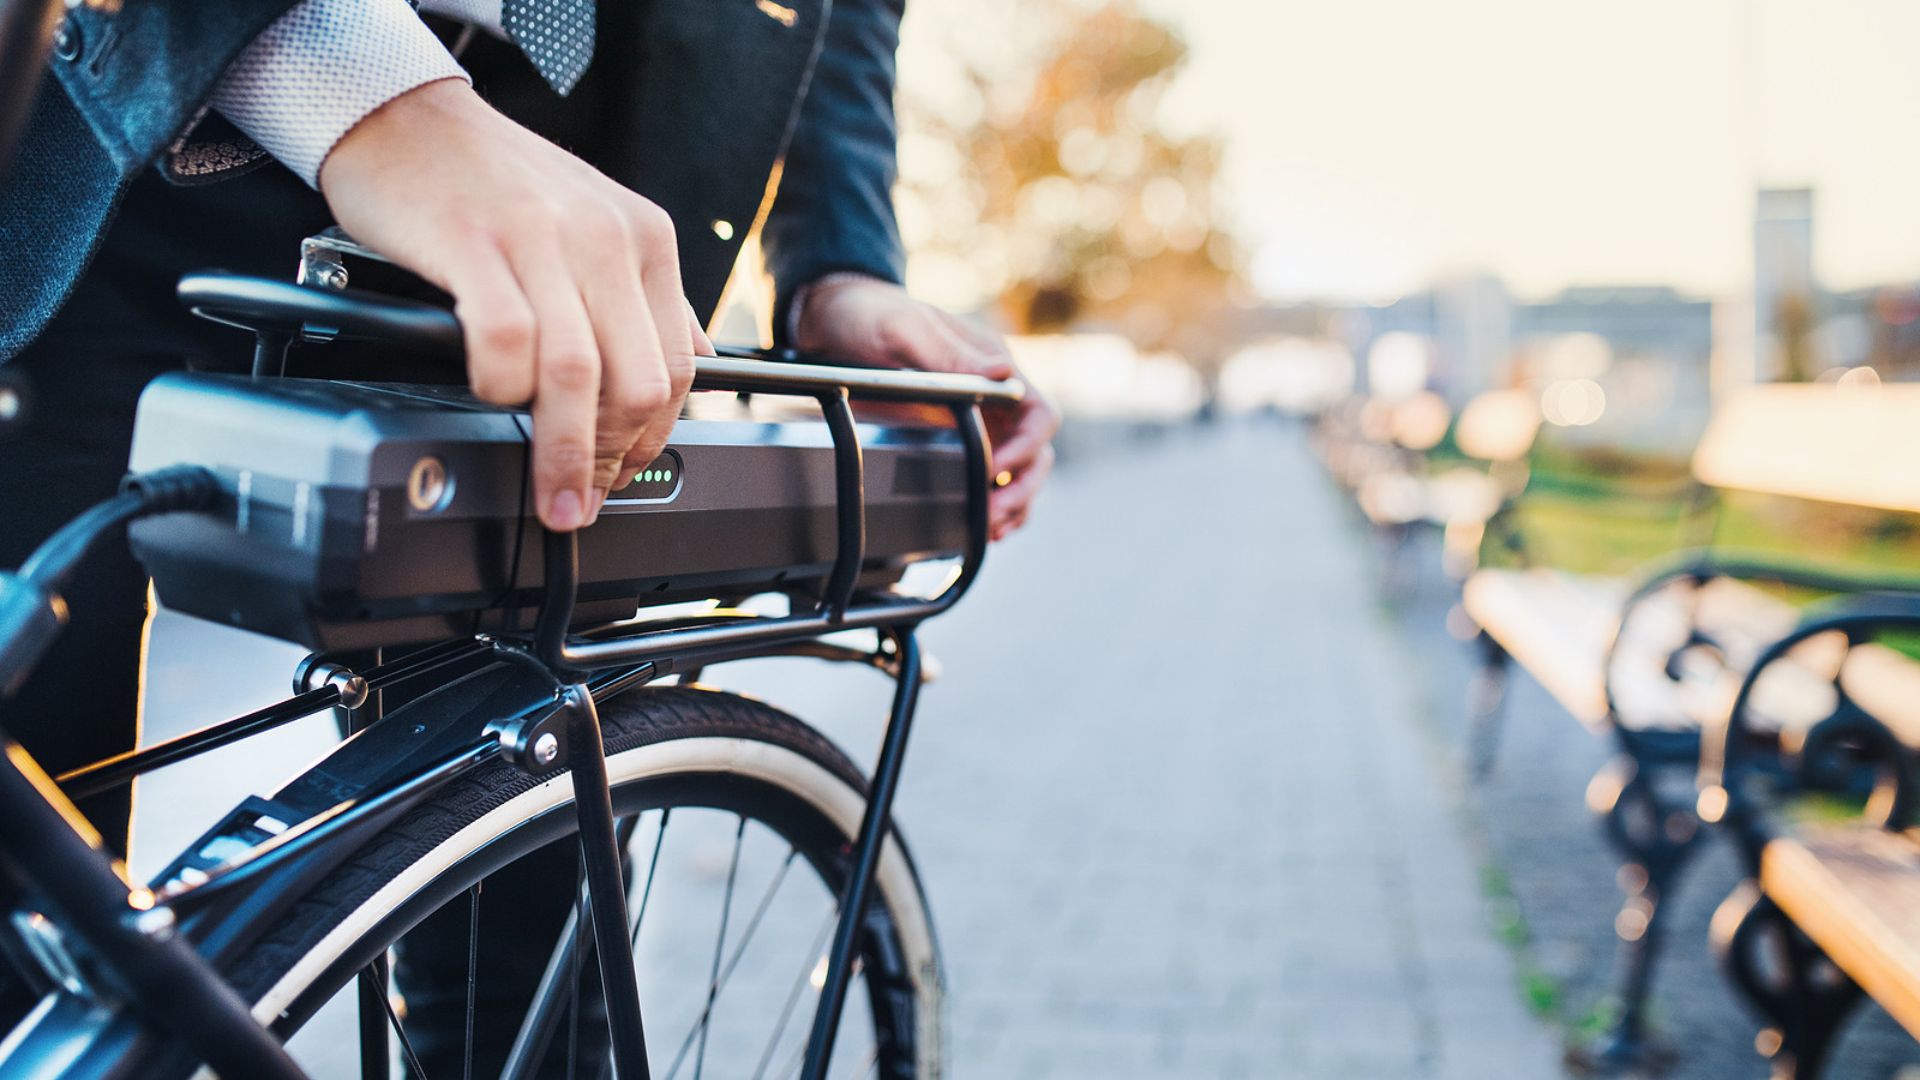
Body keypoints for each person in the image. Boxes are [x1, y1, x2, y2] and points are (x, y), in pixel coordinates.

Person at [0, 0, 1057, 1070]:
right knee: (26, 894)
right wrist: (356, 85)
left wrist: (842, 258)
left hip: (566, 196)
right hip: (117, 135)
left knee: (534, 957)